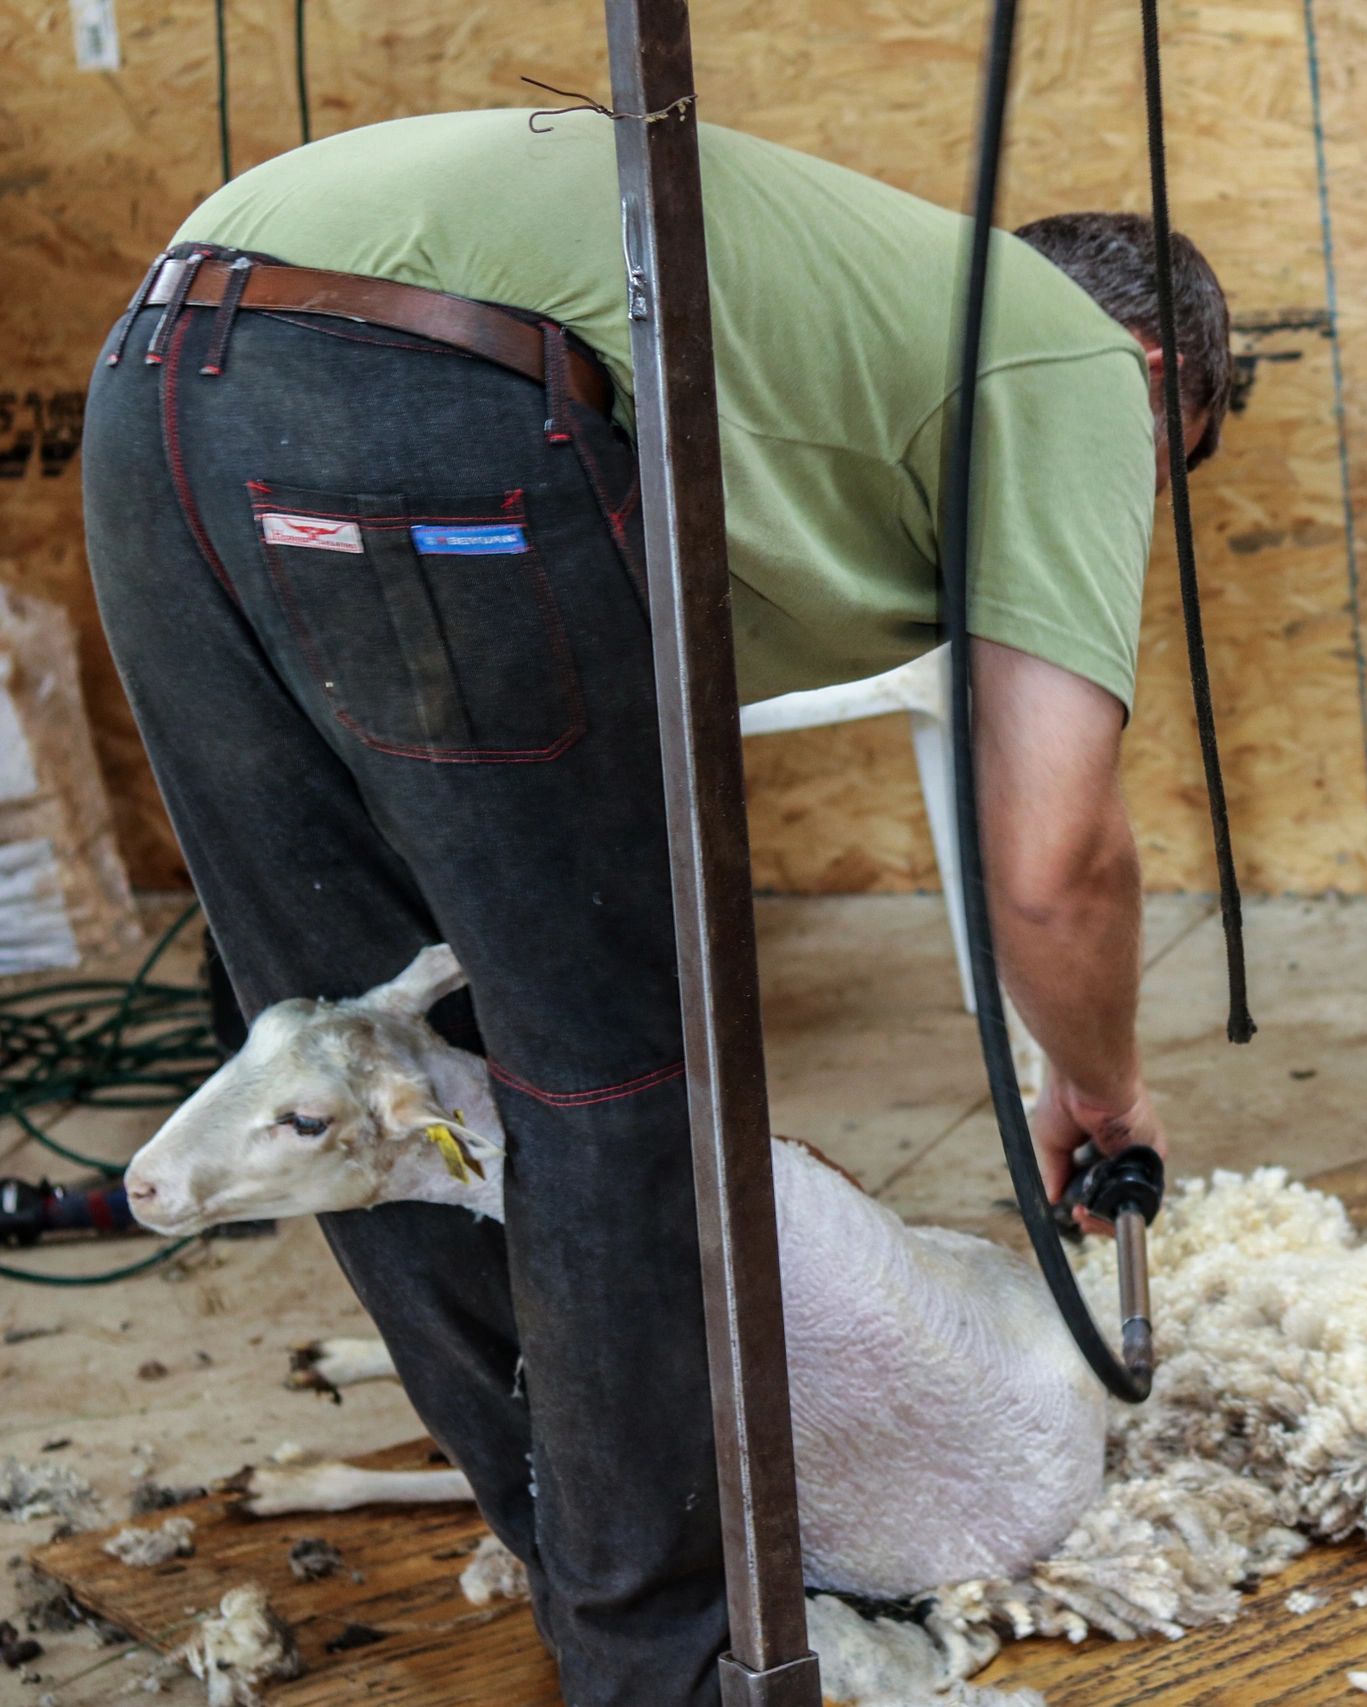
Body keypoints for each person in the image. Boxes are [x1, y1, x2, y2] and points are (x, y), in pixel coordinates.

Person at [80, 108, 1230, 1704]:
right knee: (610, 1076)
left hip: (159, 379)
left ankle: (592, 1563)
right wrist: (1097, 1081)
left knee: (360, 1058)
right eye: (1155, 489)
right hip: (418, 395)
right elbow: (1059, 861)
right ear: (1163, 381)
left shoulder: (837, 324)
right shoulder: (1072, 366)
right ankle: (674, 1666)